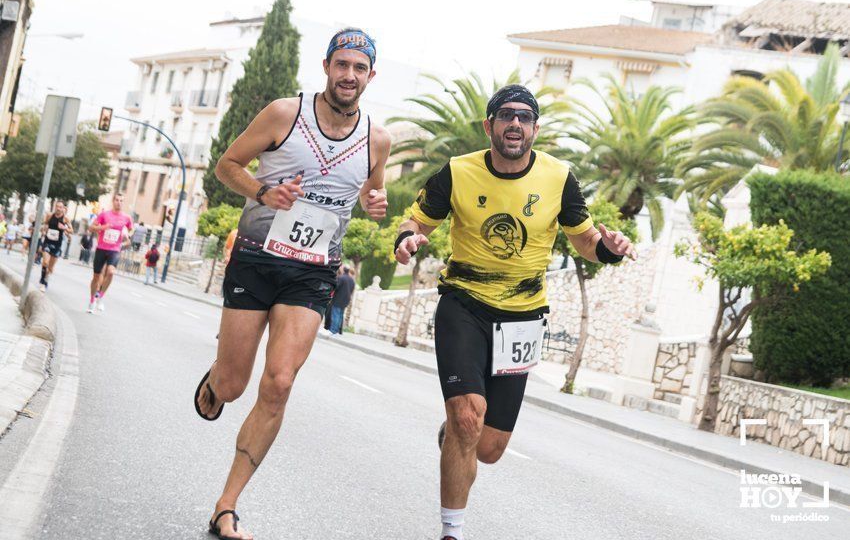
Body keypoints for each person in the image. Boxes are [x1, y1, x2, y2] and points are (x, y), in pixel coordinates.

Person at [394, 84, 637, 540]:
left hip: (523, 318)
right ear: (489, 125)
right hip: (463, 303)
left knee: (487, 447)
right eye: (506, 116)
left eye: (525, 118)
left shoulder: (558, 177)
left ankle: (455, 437)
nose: (515, 125)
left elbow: (585, 241)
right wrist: (406, 238)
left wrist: (608, 249)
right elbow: (416, 220)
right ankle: (452, 531)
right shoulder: (458, 172)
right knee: (468, 416)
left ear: (535, 129)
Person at [193, 27, 390, 540]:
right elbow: (226, 165)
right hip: (257, 258)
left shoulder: (378, 138)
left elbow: (373, 191)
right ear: (326, 66)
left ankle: (227, 505)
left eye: (360, 68)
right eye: (342, 64)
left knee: (279, 382)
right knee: (234, 387)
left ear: (371, 76)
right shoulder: (285, 113)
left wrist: (375, 203)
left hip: (313, 271)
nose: (349, 75)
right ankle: (219, 373)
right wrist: (262, 192)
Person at [87, 193, 134, 313]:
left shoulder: (126, 218)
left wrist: (128, 234)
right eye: (117, 200)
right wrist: (103, 228)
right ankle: (92, 300)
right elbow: (91, 228)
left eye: (121, 201)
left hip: (115, 249)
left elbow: (131, 229)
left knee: (111, 272)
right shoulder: (104, 214)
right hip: (102, 248)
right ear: (113, 201)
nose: (119, 202)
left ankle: (100, 297)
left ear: (123, 202)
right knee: (96, 277)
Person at [38, 201, 73, 290]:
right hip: (47, 241)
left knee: (50, 267)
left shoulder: (65, 219)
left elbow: (71, 230)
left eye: (60, 207)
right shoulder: (50, 215)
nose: (58, 208)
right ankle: (42, 281)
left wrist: (64, 228)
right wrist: (44, 229)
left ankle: (46, 277)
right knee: (45, 262)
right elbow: (45, 223)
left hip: (57, 244)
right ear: (55, 207)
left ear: (63, 208)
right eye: (57, 206)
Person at [329, 265, 355, 334]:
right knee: (340, 315)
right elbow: (352, 291)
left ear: (343, 270)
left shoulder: (341, 278)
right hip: (346, 300)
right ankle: (338, 330)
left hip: (338, 299)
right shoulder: (352, 281)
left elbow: (336, 287)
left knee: (335, 314)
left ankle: (333, 330)